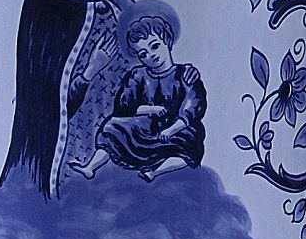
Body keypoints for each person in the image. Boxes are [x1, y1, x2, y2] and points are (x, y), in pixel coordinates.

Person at [0, 0, 134, 200]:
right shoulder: (43, 8)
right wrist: (90, 72)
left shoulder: (114, 11)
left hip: (114, 148)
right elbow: (41, 103)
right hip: (61, 154)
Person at [74, 11, 207, 182]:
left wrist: (172, 129)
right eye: (143, 54)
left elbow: (193, 105)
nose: (151, 55)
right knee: (111, 127)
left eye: (155, 46)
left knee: (188, 144)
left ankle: (153, 171)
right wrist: (148, 109)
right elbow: (123, 107)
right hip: (143, 130)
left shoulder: (185, 74)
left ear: (167, 41)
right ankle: (90, 167)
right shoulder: (137, 75)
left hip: (176, 129)